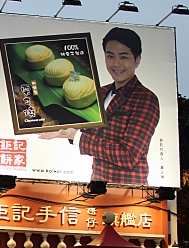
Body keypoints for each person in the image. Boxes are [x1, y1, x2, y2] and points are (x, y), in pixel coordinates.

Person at [39, 27, 159, 185]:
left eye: (123, 57)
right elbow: (86, 131)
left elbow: (128, 156)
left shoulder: (145, 99)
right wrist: (61, 130)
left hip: (128, 192)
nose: (116, 64)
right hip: (98, 187)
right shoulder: (100, 92)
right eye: (110, 56)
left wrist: (76, 136)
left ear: (137, 60)